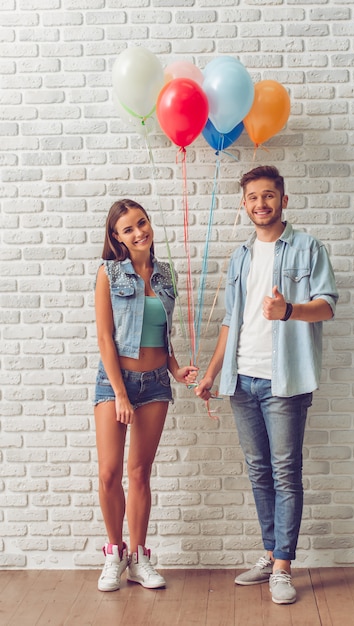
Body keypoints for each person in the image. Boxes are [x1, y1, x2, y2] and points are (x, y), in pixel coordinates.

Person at [194, 165, 338, 605]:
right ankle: (269, 552)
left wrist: (290, 311)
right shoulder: (239, 255)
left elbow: (327, 307)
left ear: (284, 200)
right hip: (241, 380)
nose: (262, 203)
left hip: (284, 381)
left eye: (270, 195)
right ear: (244, 204)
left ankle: (282, 568)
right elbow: (229, 321)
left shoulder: (308, 247)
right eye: (254, 197)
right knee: (259, 472)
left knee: (284, 472)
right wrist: (212, 372)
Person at [94, 198, 197, 593]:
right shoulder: (108, 272)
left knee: (139, 474)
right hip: (114, 382)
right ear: (116, 238)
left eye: (142, 223)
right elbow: (105, 338)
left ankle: (139, 558)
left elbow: (161, 335)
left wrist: (175, 369)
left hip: (155, 383)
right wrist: (120, 393)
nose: (140, 233)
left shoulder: (166, 275)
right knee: (109, 474)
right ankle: (114, 553)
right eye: (128, 229)